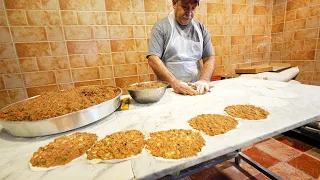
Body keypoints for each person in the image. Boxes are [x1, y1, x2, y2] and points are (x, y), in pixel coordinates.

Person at [147, 0, 215, 95]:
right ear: (174, 3)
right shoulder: (161, 27)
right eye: (185, 7)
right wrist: (175, 83)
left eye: (193, 8)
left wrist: (204, 80)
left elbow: (209, 58)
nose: (189, 13)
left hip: (196, 88)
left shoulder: (201, 29)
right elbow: (153, 59)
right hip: (170, 90)